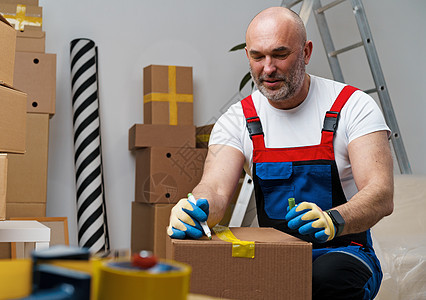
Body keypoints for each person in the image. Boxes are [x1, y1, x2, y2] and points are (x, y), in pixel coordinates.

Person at [167, 6, 394, 300]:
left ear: (306, 52)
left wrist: (333, 220)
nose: (268, 68)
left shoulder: (353, 106)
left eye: (280, 54)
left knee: (328, 278)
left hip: (346, 251)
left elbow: (380, 193)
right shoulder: (238, 119)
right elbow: (215, 188)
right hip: (275, 253)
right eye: (257, 57)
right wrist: (196, 210)